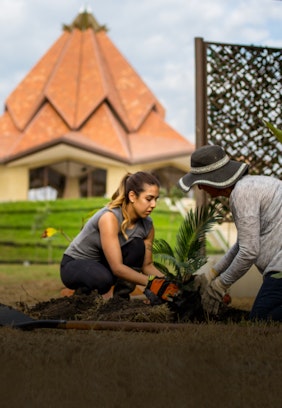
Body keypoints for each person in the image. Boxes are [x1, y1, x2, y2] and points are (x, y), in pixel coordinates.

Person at [178, 144, 282, 322]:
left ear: (212, 179)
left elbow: (249, 252)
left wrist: (220, 285)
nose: (201, 188)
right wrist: (212, 274)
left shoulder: (242, 193)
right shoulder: (248, 187)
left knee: (262, 318)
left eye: (200, 182)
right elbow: (242, 244)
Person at [60, 171, 179, 303]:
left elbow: (147, 266)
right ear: (132, 196)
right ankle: (80, 301)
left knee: (137, 246)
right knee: (103, 280)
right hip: (74, 265)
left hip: (103, 265)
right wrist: (152, 283)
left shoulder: (147, 226)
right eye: (149, 199)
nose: (154, 205)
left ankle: (120, 301)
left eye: (156, 199)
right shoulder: (109, 217)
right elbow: (117, 268)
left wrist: (171, 283)